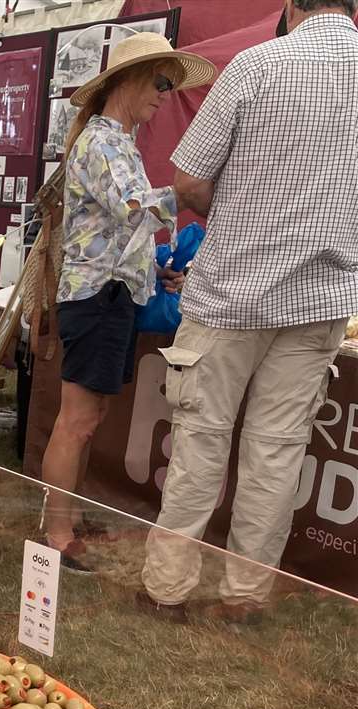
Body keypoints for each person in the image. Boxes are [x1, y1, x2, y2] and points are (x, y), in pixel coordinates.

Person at [141, 0, 358, 621]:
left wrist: (237, 219)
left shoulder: (257, 65)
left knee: (201, 442)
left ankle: (168, 590)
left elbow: (187, 181)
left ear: (291, 8)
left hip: (234, 291)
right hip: (322, 299)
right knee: (278, 451)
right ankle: (244, 600)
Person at [39, 32, 213, 571]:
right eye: (160, 83)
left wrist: (152, 268)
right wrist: (184, 192)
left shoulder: (115, 140)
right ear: (130, 81)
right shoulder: (104, 141)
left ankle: (64, 515)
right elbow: (131, 207)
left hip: (109, 293)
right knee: (79, 418)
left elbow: (115, 229)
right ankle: (56, 532)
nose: (165, 95)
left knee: (92, 414)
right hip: (96, 298)